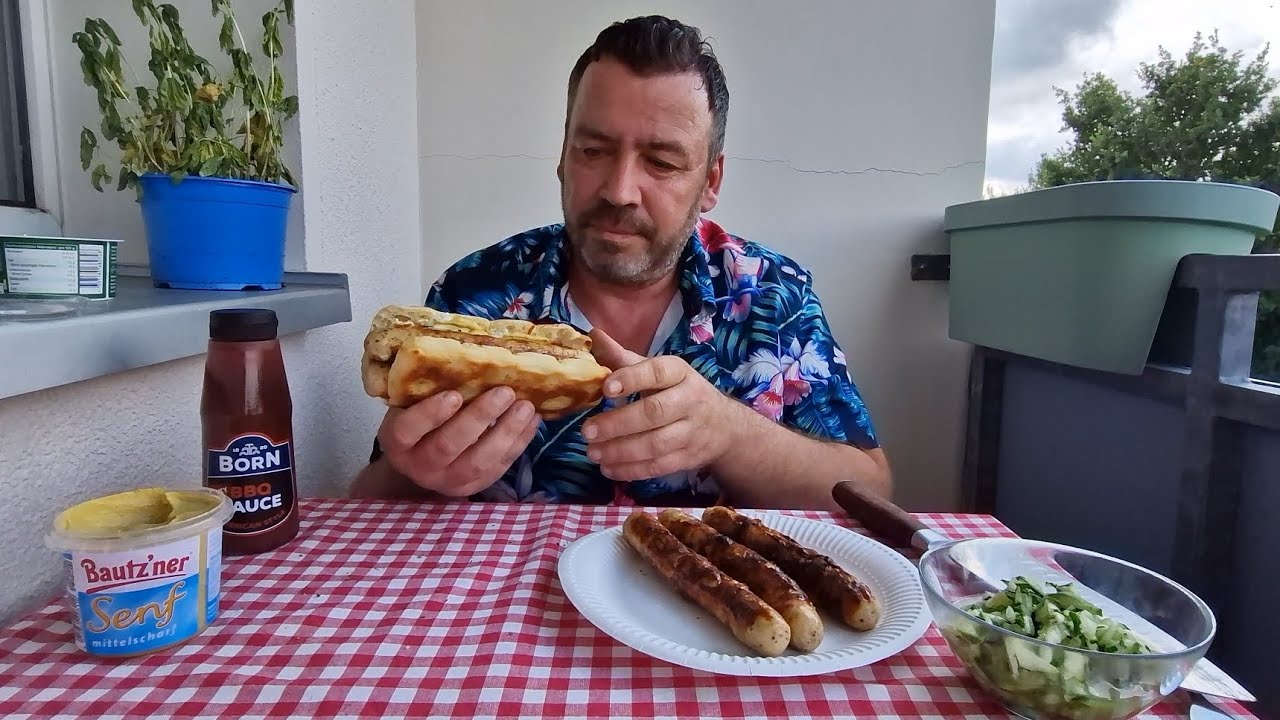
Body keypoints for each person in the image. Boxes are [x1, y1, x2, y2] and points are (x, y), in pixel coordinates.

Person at [351, 15, 890, 510]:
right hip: (506, 607)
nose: (619, 189)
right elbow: (368, 497)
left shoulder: (774, 295)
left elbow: (871, 489)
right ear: (562, 158)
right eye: (593, 150)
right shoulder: (475, 292)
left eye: (660, 161)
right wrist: (415, 471)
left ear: (711, 182)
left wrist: (728, 431)